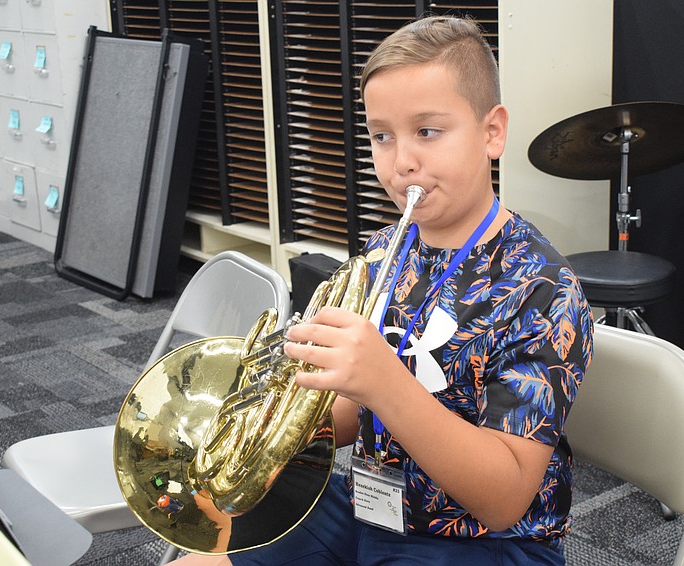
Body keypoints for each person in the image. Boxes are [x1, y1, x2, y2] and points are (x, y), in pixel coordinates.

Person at [172, 14, 593, 565]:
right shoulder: (384, 248)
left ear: (492, 132)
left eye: (427, 131)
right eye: (381, 136)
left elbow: (504, 500)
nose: (402, 162)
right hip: (372, 504)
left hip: (485, 544)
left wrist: (382, 381)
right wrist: (276, 426)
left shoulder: (544, 290)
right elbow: (350, 411)